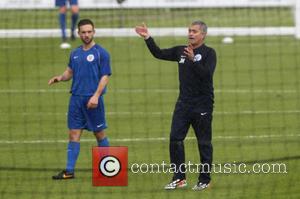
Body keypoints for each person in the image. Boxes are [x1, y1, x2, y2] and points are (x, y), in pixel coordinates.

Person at [135, 21, 216, 191]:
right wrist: (147, 38)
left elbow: (207, 76)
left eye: (194, 31)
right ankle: (179, 178)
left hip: (202, 105)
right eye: (189, 31)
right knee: (175, 139)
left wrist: (194, 60)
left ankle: (205, 179)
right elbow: (159, 53)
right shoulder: (181, 51)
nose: (190, 34)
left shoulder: (209, 53)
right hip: (183, 104)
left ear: (203, 35)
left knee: (204, 143)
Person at [49, 19, 112, 180]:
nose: (86, 35)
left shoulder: (101, 53)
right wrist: (60, 78)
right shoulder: (75, 53)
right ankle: (69, 171)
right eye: (83, 32)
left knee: (99, 134)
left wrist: (96, 96)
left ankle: (108, 170)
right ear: (78, 33)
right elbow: (70, 71)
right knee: (73, 134)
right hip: (76, 100)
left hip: (92, 101)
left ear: (94, 32)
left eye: (89, 32)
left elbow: (105, 77)